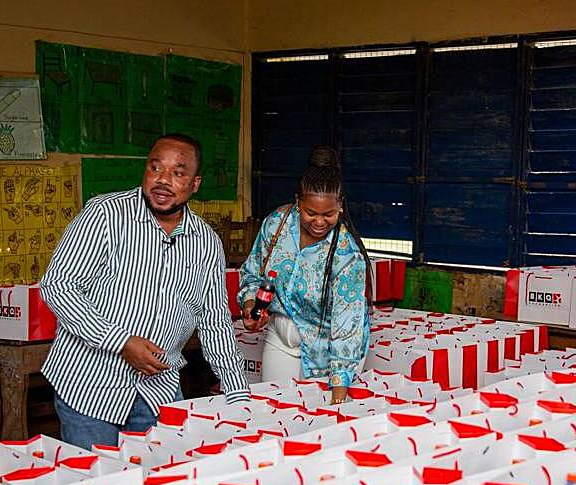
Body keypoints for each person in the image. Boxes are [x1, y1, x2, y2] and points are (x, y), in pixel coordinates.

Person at [40, 133, 250, 450]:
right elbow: (58, 286)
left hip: (158, 390)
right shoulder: (105, 215)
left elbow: (213, 319)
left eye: (178, 173)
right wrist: (120, 341)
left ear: (195, 184)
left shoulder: (205, 241)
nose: (163, 180)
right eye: (155, 168)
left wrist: (238, 394)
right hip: (89, 386)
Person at [238, 146, 371, 404]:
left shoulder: (347, 256)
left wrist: (339, 398)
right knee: (274, 410)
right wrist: (250, 304)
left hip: (329, 352)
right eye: (311, 213)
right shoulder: (276, 224)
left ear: (340, 207)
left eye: (329, 214)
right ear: (298, 201)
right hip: (281, 337)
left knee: (319, 426)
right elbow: (252, 274)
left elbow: (348, 329)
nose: (319, 222)